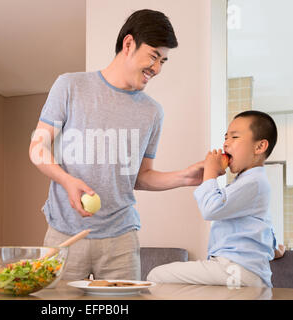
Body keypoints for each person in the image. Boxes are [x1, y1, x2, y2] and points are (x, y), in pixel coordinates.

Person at [29, 9, 204, 280]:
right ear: (128, 44)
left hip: (121, 239)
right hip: (65, 233)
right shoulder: (69, 86)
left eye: (163, 61)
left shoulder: (153, 112)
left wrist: (185, 177)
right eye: (154, 56)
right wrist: (66, 180)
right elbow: (37, 148)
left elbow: (141, 177)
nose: (157, 69)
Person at [147, 110, 283, 288]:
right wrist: (272, 250)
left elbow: (211, 209)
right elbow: (258, 224)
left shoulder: (254, 181)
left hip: (237, 271)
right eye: (226, 137)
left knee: (156, 275)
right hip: (239, 271)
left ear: (259, 147)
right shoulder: (249, 182)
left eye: (234, 137)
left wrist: (210, 173)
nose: (226, 143)